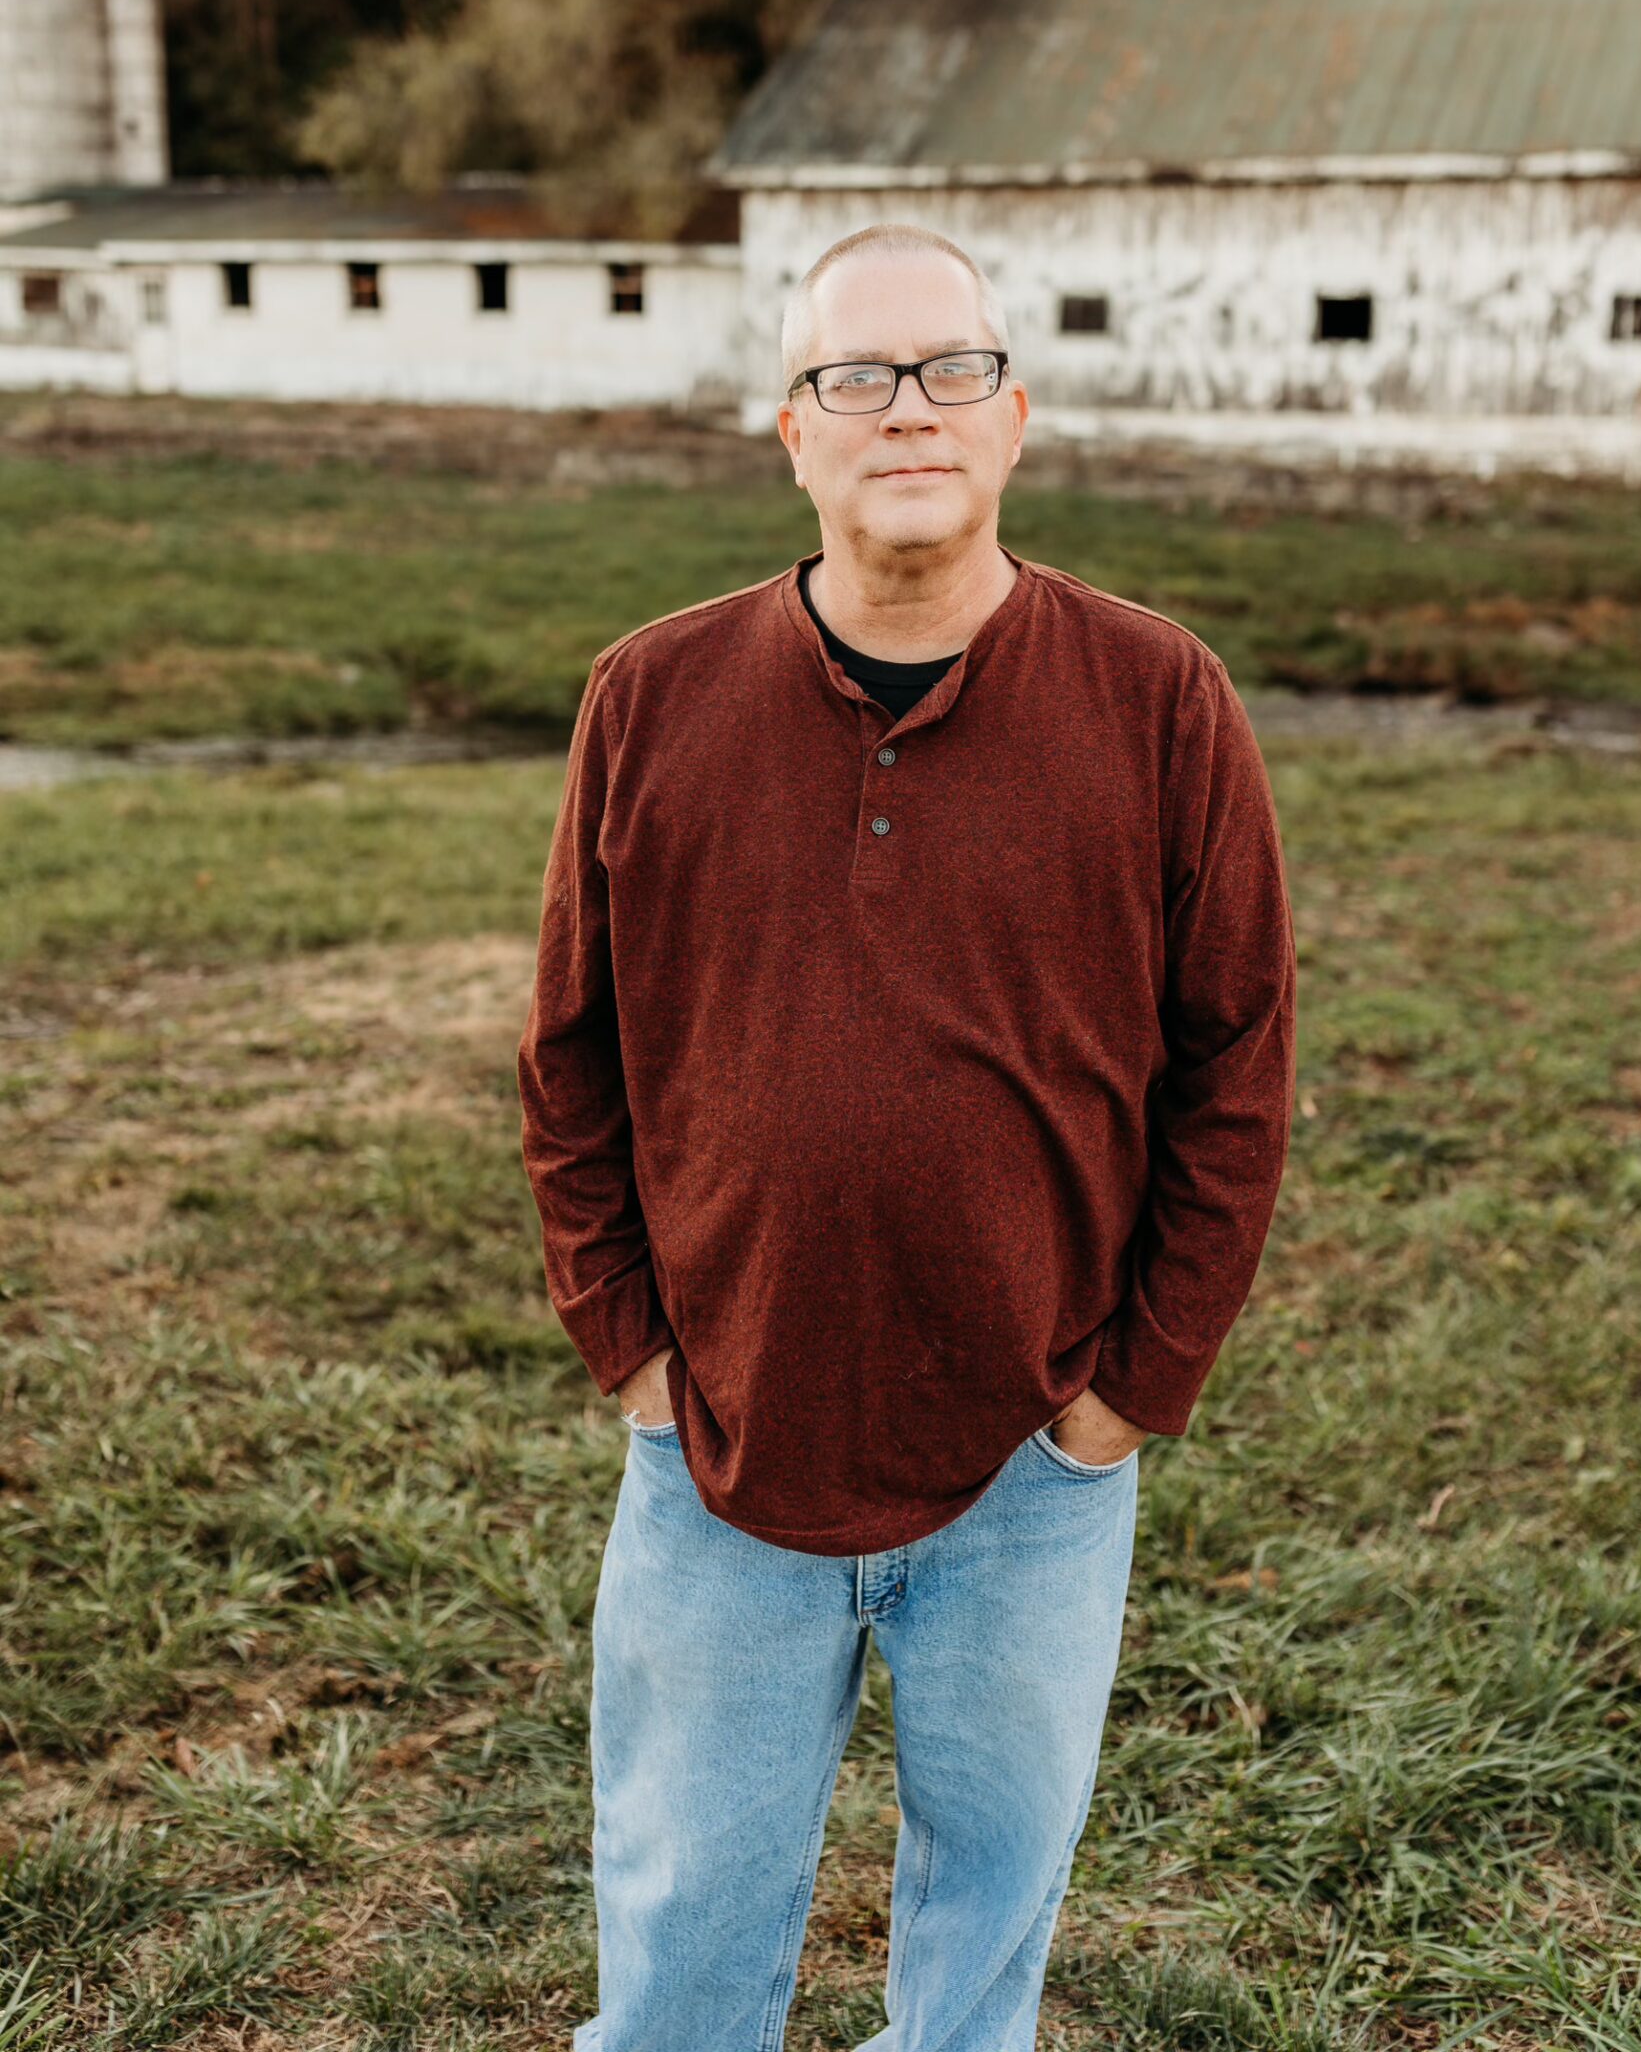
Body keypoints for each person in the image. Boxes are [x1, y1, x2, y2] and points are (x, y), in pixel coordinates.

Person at [516, 220, 1297, 2051]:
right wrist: (629, 1350)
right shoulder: (649, 699)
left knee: (976, 1967)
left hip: (1033, 1459)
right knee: (681, 1946)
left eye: (948, 370)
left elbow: (1236, 1069)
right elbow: (570, 1058)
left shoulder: (1159, 699)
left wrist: (1129, 1392)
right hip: (718, 1443)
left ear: (1011, 416)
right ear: (792, 433)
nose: (905, 411)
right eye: (850, 377)